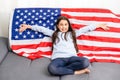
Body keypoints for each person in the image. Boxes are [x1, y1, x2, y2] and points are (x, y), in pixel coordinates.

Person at [19, 16, 109, 76]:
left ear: (68, 26)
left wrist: (98, 25)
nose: (63, 27)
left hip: (71, 58)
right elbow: (42, 29)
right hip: (58, 59)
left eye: (65, 24)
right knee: (51, 68)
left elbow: (84, 29)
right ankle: (75, 72)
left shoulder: (72, 34)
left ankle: (63, 70)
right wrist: (29, 26)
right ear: (57, 26)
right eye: (61, 25)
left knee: (85, 62)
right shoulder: (54, 34)